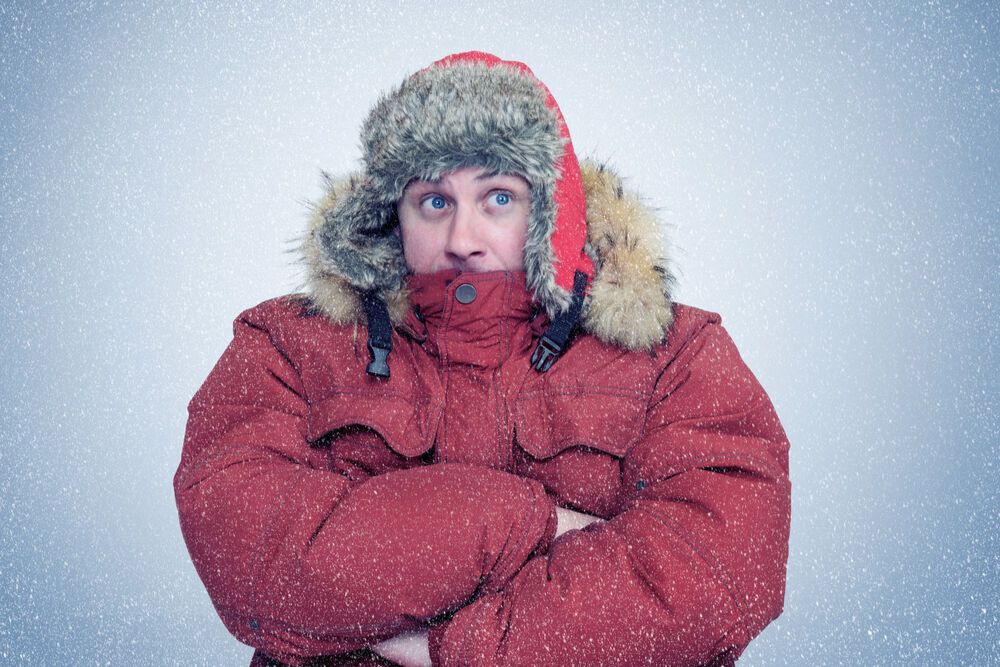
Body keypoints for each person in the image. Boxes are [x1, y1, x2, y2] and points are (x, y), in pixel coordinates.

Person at [174, 51, 791, 667]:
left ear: (551, 210)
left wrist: (445, 648)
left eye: (497, 198)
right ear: (393, 213)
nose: (463, 239)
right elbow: (259, 563)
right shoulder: (290, 345)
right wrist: (542, 525)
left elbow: (711, 582)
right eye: (434, 202)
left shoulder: (675, 354)